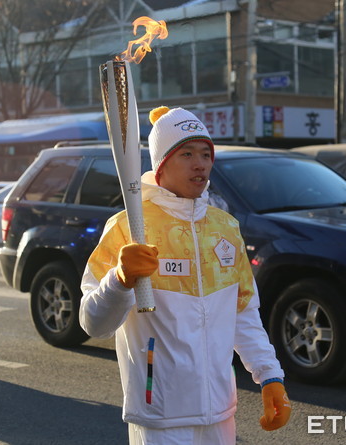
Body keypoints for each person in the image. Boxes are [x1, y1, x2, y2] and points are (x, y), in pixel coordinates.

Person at [79, 106, 291, 444]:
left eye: (206, 154)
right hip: (159, 412)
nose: (201, 163)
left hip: (220, 412)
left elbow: (243, 314)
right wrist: (119, 280)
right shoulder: (128, 229)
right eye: (187, 153)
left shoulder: (225, 228)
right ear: (161, 164)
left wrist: (269, 375)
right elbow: (93, 324)